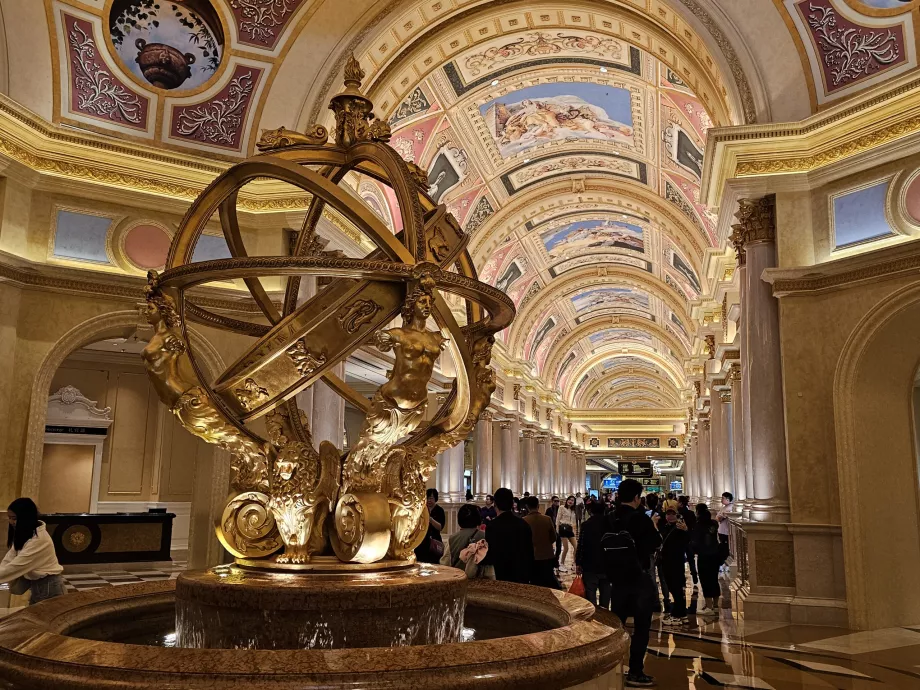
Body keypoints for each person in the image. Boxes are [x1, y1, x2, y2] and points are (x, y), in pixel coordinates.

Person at [606, 479, 661, 688]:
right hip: (638, 579)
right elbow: (655, 543)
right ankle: (635, 671)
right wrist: (654, 526)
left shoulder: (610, 517)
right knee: (641, 627)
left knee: (617, 626)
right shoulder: (640, 519)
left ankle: (611, 665)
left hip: (617, 581)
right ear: (637, 498)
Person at [0, 498, 64, 605]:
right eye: (9, 518)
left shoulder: (39, 540)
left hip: (49, 587)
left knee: (45, 620)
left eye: (14, 518)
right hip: (39, 585)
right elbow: (9, 559)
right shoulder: (26, 534)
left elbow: (16, 566)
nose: (11, 522)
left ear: (26, 518)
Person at [484, 487, 533, 583]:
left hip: (501, 576)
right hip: (521, 576)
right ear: (512, 504)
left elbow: (491, 554)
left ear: (495, 504)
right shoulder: (524, 524)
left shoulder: (492, 526)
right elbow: (530, 553)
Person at [658, 509, 691, 628]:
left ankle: (677, 614)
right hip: (667, 560)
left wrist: (686, 530)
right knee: (674, 587)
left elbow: (687, 541)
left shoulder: (680, 528)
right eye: (668, 514)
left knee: (676, 587)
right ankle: (681, 614)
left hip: (675, 560)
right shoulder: (664, 527)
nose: (670, 516)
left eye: (673, 514)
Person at [575, 501, 610, 609]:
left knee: (590, 593)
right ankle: (605, 616)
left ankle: (594, 617)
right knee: (606, 592)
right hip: (607, 564)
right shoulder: (610, 524)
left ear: (590, 511)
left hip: (589, 564)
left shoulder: (586, 525)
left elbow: (581, 544)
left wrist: (578, 562)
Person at [522, 496, 560, 589]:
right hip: (547, 556)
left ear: (527, 507)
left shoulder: (523, 520)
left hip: (531, 557)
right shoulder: (547, 519)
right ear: (538, 506)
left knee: (534, 584)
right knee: (547, 584)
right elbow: (554, 537)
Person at [692, 504, 722, 616]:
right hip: (715, 554)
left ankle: (709, 607)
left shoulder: (698, 525)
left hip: (704, 556)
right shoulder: (714, 524)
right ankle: (715, 605)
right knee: (714, 579)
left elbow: (695, 541)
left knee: (705, 580)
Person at [441, 504, 485, 569]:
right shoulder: (484, 536)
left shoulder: (452, 538)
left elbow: (445, 563)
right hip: (479, 578)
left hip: (458, 577)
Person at [414, 488, 446, 564]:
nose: (429, 500)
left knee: (434, 562)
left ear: (435, 499)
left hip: (434, 540)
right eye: (427, 498)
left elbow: (440, 527)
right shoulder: (422, 509)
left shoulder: (439, 510)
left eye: (431, 498)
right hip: (422, 540)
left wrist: (430, 520)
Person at [677, 495, 699, 589]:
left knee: (680, 559)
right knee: (691, 557)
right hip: (689, 538)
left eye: (678, 502)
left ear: (681, 503)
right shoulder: (691, 513)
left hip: (680, 539)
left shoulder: (678, 514)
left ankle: (681, 579)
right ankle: (694, 572)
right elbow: (694, 526)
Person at [557, 496, 578, 571]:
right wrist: (557, 530)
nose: (570, 501)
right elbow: (558, 519)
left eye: (572, 500)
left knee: (576, 547)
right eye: (569, 499)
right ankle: (562, 564)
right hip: (563, 528)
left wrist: (574, 531)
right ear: (567, 500)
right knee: (566, 548)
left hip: (570, 529)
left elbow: (573, 522)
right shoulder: (562, 507)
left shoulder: (572, 510)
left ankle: (574, 563)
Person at [716, 492, 733, 569]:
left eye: (722, 498)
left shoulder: (730, 508)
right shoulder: (723, 508)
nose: (721, 500)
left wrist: (720, 517)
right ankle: (722, 562)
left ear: (727, 499)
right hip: (721, 531)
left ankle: (724, 563)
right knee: (722, 546)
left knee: (725, 547)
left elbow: (719, 518)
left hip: (726, 531)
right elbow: (717, 518)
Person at [545, 496, 562, 569]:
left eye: (558, 501)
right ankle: (550, 559)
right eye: (555, 501)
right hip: (551, 529)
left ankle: (556, 559)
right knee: (550, 545)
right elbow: (546, 519)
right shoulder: (549, 510)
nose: (557, 502)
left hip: (558, 529)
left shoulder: (560, 509)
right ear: (552, 501)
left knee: (559, 546)